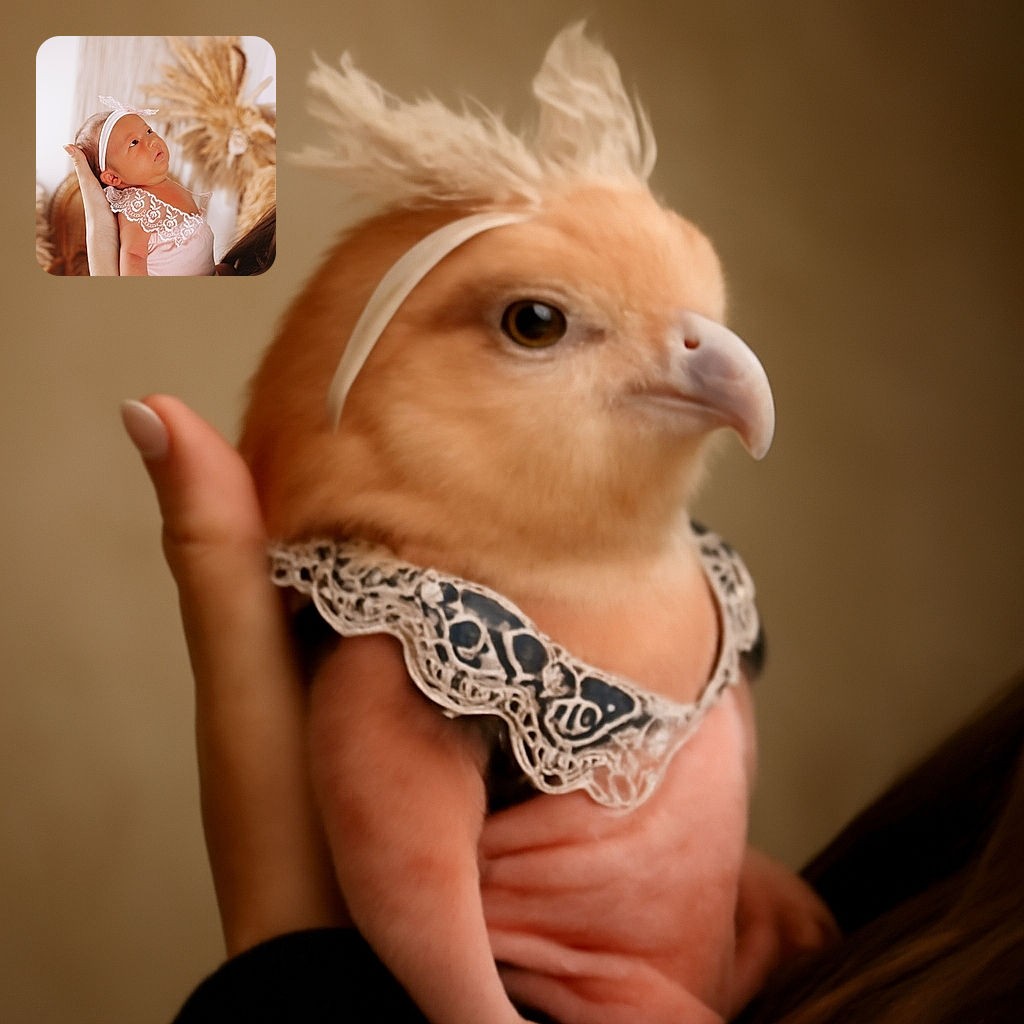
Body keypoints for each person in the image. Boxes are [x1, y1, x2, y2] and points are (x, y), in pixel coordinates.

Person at [123, 397, 1024, 1022]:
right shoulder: (420, 632)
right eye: (535, 328)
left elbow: (665, 776)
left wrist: (722, 877)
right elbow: (414, 864)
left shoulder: (690, 571)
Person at [68, 99, 216, 276]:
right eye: (134, 143)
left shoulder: (164, 185)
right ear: (113, 177)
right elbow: (133, 255)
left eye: (148, 131)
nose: (152, 141)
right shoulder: (138, 204)